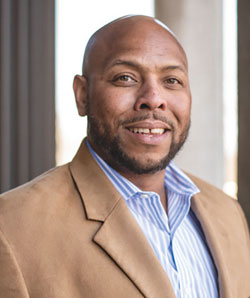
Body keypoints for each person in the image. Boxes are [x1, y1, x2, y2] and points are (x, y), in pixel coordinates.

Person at [0, 15, 249, 298]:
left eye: (171, 80)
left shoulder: (228, 214)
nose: (154, 98)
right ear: (82, 96)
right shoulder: (11, 228)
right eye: (125, 78)